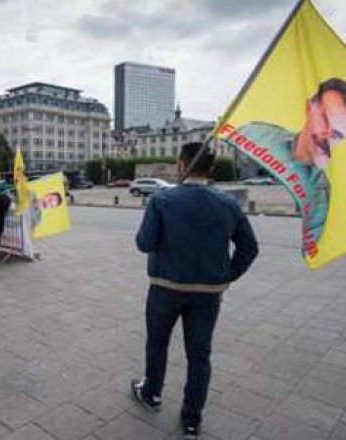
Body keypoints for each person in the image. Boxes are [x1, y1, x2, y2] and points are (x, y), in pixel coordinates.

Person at [130, 142, 259, 439]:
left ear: (181, 165)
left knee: (157, 343)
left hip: (165, 288)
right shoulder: (228, 204)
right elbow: (249, 248)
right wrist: (226, 276)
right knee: (199, 355)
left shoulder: (163, 200)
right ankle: (191, 420)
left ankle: (152, 393)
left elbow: (144, 243)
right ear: (210, 168)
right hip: (208, 294)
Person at [220, 78, 346, 254]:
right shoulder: (258, 133)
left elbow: (313, 248)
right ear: (309, 107)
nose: (326, 137)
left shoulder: (319, 192)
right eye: (325, 120)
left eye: (337, 134)